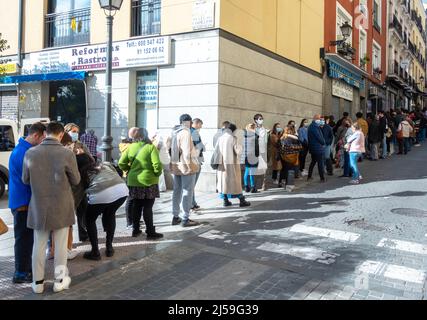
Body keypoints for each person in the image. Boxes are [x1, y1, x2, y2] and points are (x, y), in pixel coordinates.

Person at [22, 122, 81, 294]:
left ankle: (38, 283)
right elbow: (76, 180)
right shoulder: (66, 153)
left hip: (39, 206)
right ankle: (59, 281)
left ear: (45, 133)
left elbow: (25, 179)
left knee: (38, 246)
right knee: (61, 247)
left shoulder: (30, 153)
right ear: (61, 134)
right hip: (61, 206)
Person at [9, 122, 46, 284]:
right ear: (36, 135)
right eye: (43, 137)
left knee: (26, 238)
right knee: (23, 239)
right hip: (23, 202)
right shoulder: (25, 152)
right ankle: (20, 272)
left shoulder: (22, 150)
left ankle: (24, 269)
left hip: (22, 201)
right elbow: (30, 180)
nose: (43, 141)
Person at [78, 154, 129, 260]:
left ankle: (95, 252)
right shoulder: (104, 164)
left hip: (101, 193)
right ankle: (109, 248)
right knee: (110, 214)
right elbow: (117, 173)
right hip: (122, 190)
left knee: (90, 220)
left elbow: (80, 193)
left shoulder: (82, 174)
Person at [119, 128, 164, 239]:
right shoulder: (150, 147)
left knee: (136, 206)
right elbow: (157, 165)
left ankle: (135, 230)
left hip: (134, 181)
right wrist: (156, 174)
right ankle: (150, 232)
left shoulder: (131, 147)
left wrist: (129, 168)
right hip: (149, 182)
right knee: (148, 208)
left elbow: (121, 163)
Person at [169, 114, 200, 227]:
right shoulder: (186, 133)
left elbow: (169, 148)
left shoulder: (174, 132)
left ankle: (175, 216)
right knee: (187, 191)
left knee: (177, 191)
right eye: (191, 122)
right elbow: (187, 152)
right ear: (188, 122)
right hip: (186, 166)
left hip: (176, 165)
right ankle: (185, 218)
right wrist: (190, 165)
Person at [212, 123, 250, 207]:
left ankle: (225, 200)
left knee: (223, 183)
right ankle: (242, 200)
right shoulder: (233, 138)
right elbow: (238, 151)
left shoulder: (220, 138)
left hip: (222, 164)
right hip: (231, 165)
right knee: (235, 183)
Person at [119, 127, 139, 229]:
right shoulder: (130, 147)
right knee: (131, 199)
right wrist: (129, 169)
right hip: (130, 175)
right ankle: (129, 222)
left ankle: (134, 219)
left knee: (135, 199)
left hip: (131, 174)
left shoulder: (128, 145)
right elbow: (122, 163)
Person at [279, 125, 302, 190]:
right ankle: (288, 185)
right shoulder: (287, 137)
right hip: (290, 156)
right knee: (289, 170)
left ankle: (281, 183)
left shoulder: (283, 136)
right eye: (288, 130)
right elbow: (297, 143)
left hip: (284, 156)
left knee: (284, 169)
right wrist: (295, 146)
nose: (289, 131)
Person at [190, 119, 206, 212]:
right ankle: (192, 204)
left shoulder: (188, 131)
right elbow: (200, 147)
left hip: (191, 160)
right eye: (200, 124)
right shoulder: (194, 132)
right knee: (191, 184)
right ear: (197, 123)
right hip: (196, 160)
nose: (201, 127)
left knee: (190, 185)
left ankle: (193, 203)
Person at [307, 115, 326, 182]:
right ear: (315, 119)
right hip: (317, 148)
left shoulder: (313, 126)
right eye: (319, 119)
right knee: (320, 163)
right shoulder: (314, 127)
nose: (320, 121)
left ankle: (309, 176)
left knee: (313, 162)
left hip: (314, 147)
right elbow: (319, 137)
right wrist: (323, 142)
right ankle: (322, 178)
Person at [253, 114, 268, 191]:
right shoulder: (254, 129)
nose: (261, 119)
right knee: (256, 169)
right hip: (256, 151)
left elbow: (265, 140)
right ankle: (254, 186)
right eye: (259, 118)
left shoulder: (264, 128)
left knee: (264, 168)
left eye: (262, 118)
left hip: (263, 150)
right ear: (256, 120)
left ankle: (263, 185)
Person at [243, 123, 259, 193]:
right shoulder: (254, 136)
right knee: (252, 171)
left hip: (246, 155)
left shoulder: (244, 136)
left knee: (247, 170)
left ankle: (246, 187)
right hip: (253, 155)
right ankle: (253, 187)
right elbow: (257, 147)